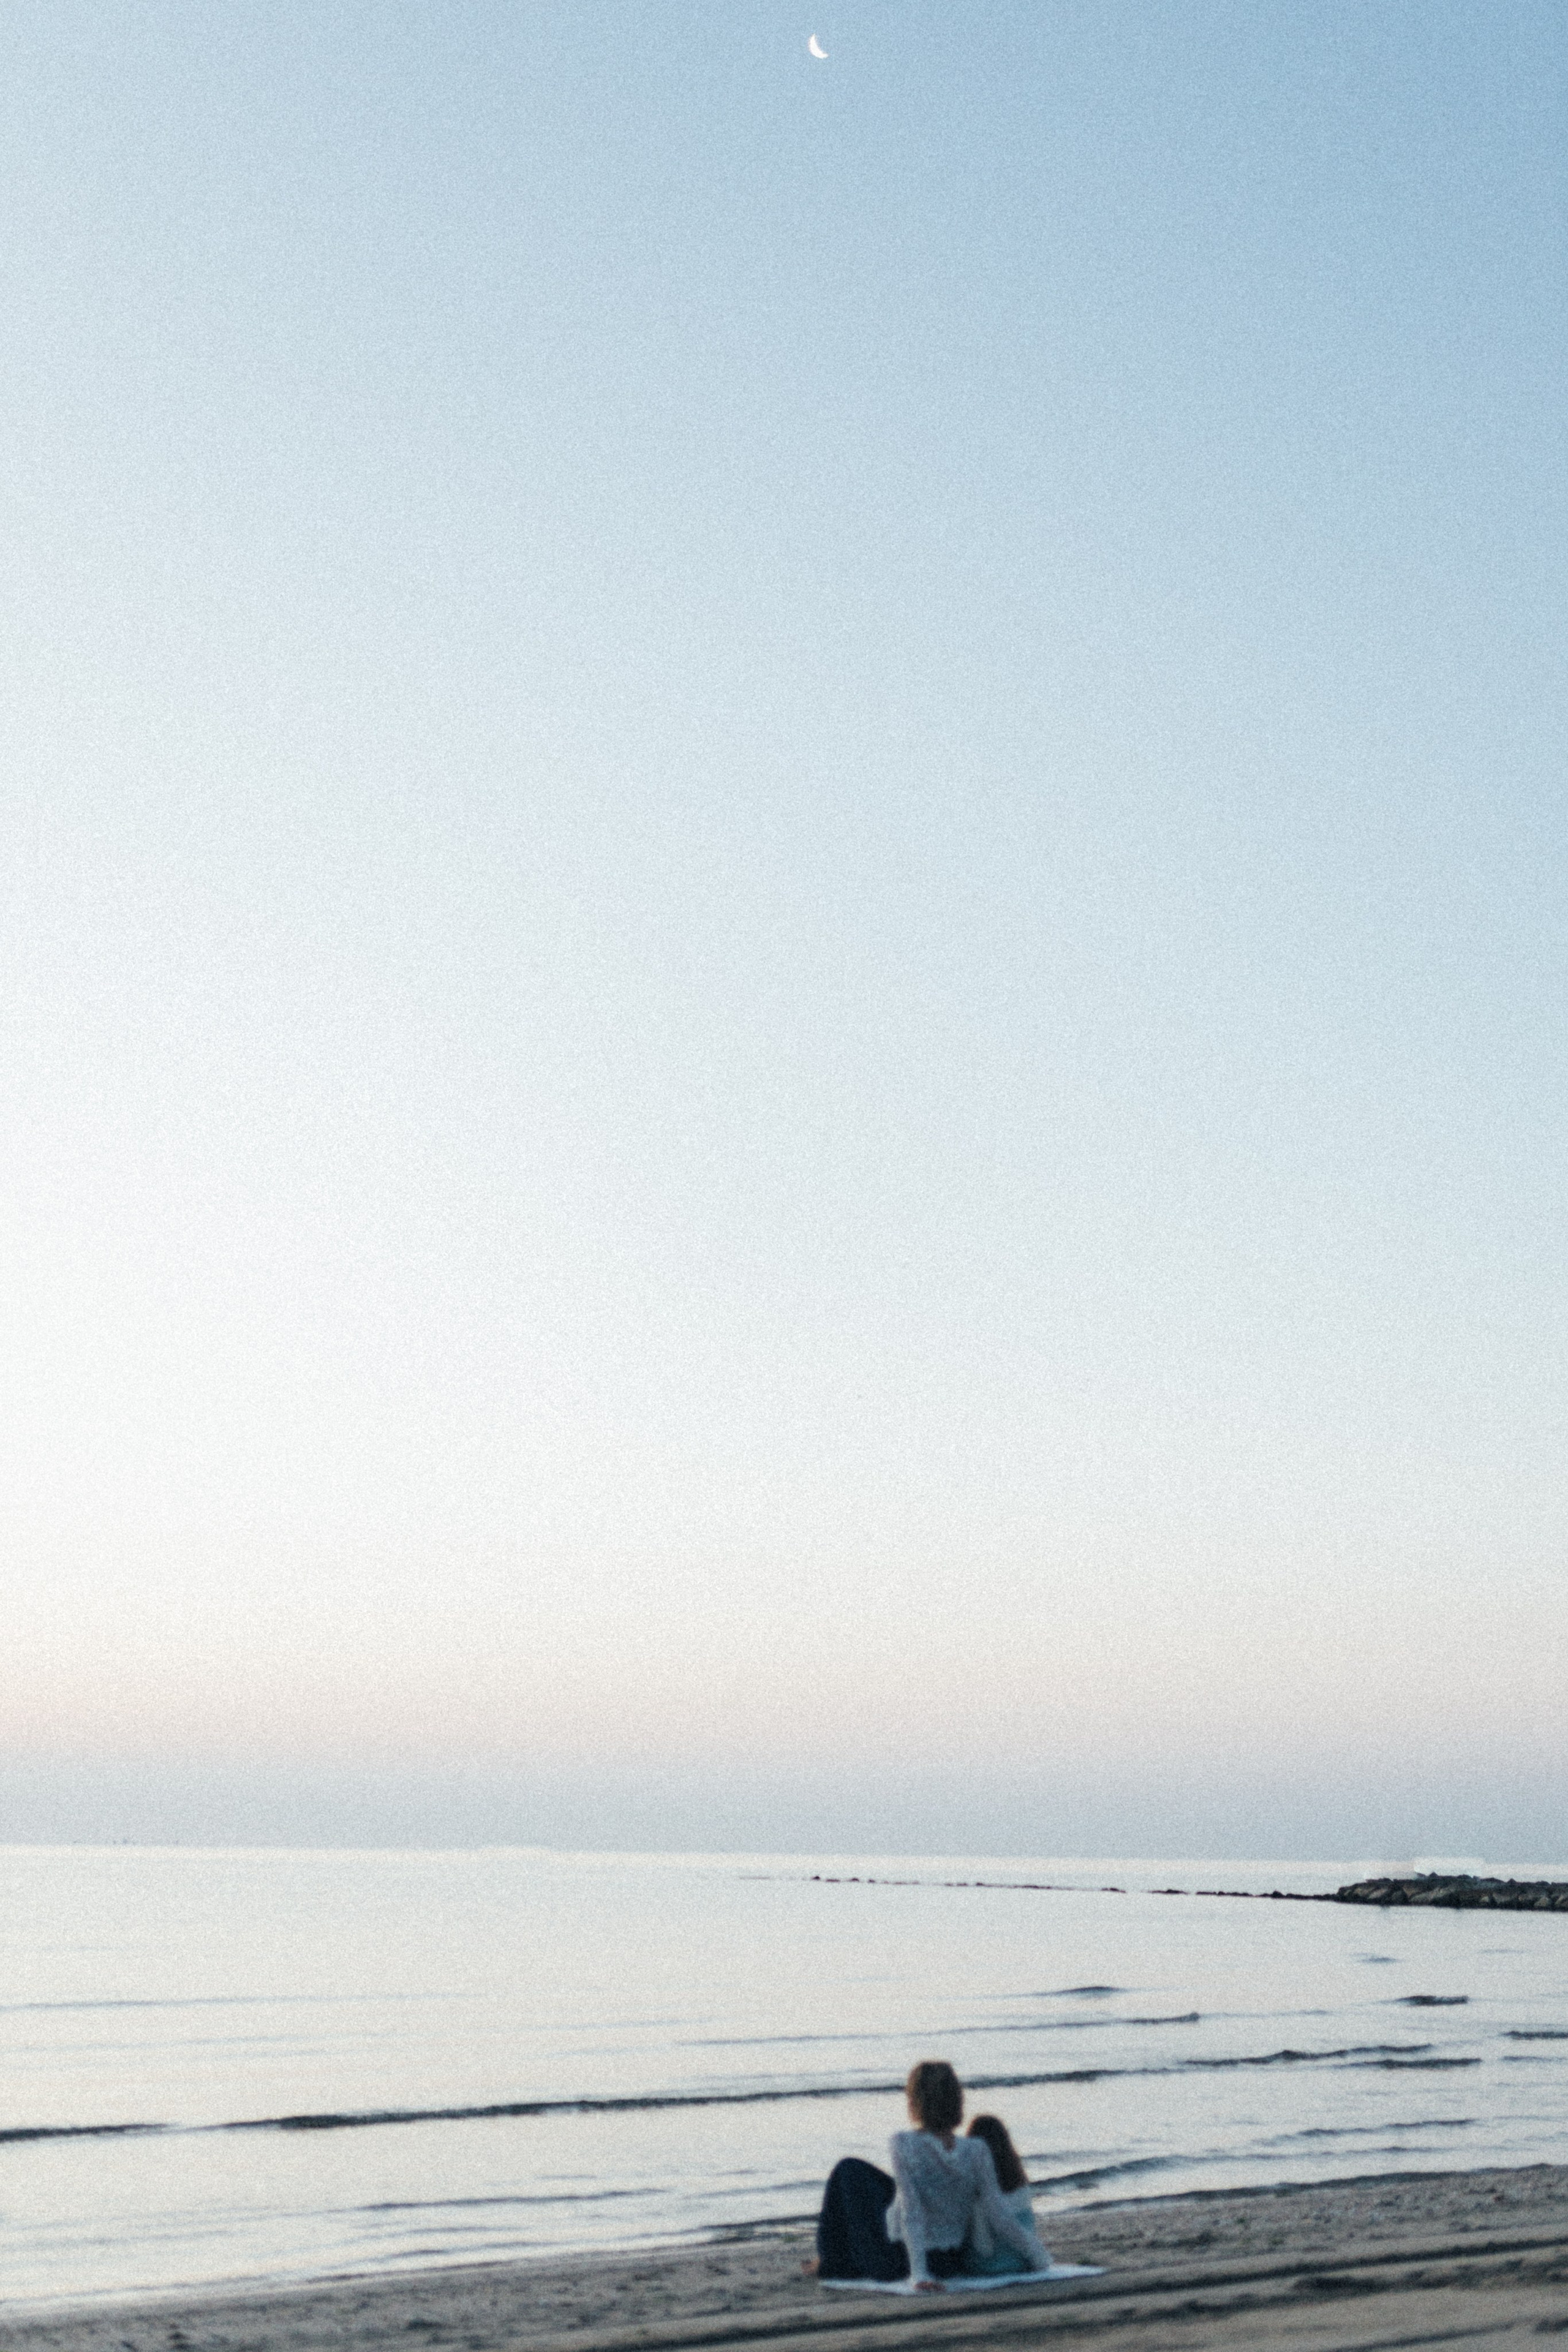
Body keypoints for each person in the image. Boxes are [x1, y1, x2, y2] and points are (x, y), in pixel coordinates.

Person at [810, 2060, 1050, 2290]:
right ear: (957, 2101)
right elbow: (1000, 2215)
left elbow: (911, 2214)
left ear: (916, 2102)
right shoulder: (976, 2149)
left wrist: (919, 2275)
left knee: (848, 2169)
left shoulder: (903, 2144)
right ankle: (831, 2261)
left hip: (897, 2262)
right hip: (949, 2262)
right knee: (883, 2184)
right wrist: (1039, 2257)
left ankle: (829, 2262)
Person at [959, 2114, 1047, 2274]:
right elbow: (1025, 2230)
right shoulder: (1018, 2181)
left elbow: (982, 2246)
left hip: (981, 2266)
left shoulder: (971, 2186)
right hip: (1019, 2262)